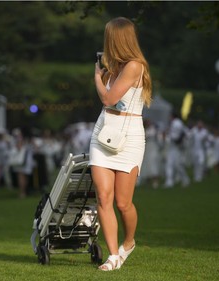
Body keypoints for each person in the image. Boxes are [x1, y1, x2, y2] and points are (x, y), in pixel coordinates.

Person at [88, 17, 152, 271]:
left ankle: (129, 241)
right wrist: (106, 72)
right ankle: (113, 255)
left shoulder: (135, 66)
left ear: (116, 39)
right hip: (103, 133)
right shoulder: (115, 67)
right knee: (104, 197)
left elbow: (108, 98)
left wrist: (96, 78)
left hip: (130, 137)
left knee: (123, 203)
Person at [164, 113, 190, 188]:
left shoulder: (176, 123)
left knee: (176, 165)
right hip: (174, 147)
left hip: (175, 147)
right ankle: (170, 181)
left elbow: (176, 137)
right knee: (171, 164)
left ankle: (184, 179)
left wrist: (168, 135)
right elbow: (185, 132)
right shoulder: (178, 123)